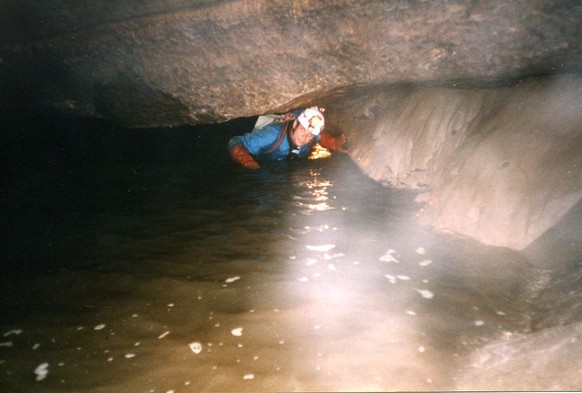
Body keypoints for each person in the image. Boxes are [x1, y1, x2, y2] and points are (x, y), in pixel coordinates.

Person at [227, 107, 346, 169]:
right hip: (265, 164)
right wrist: (247, 161)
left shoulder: (311, 136)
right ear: (295, 124)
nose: (305, 136)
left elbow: (320, 136)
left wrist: (333, 143)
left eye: (310, 134)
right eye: (302, 129)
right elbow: (235, 141)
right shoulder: (271, 135)